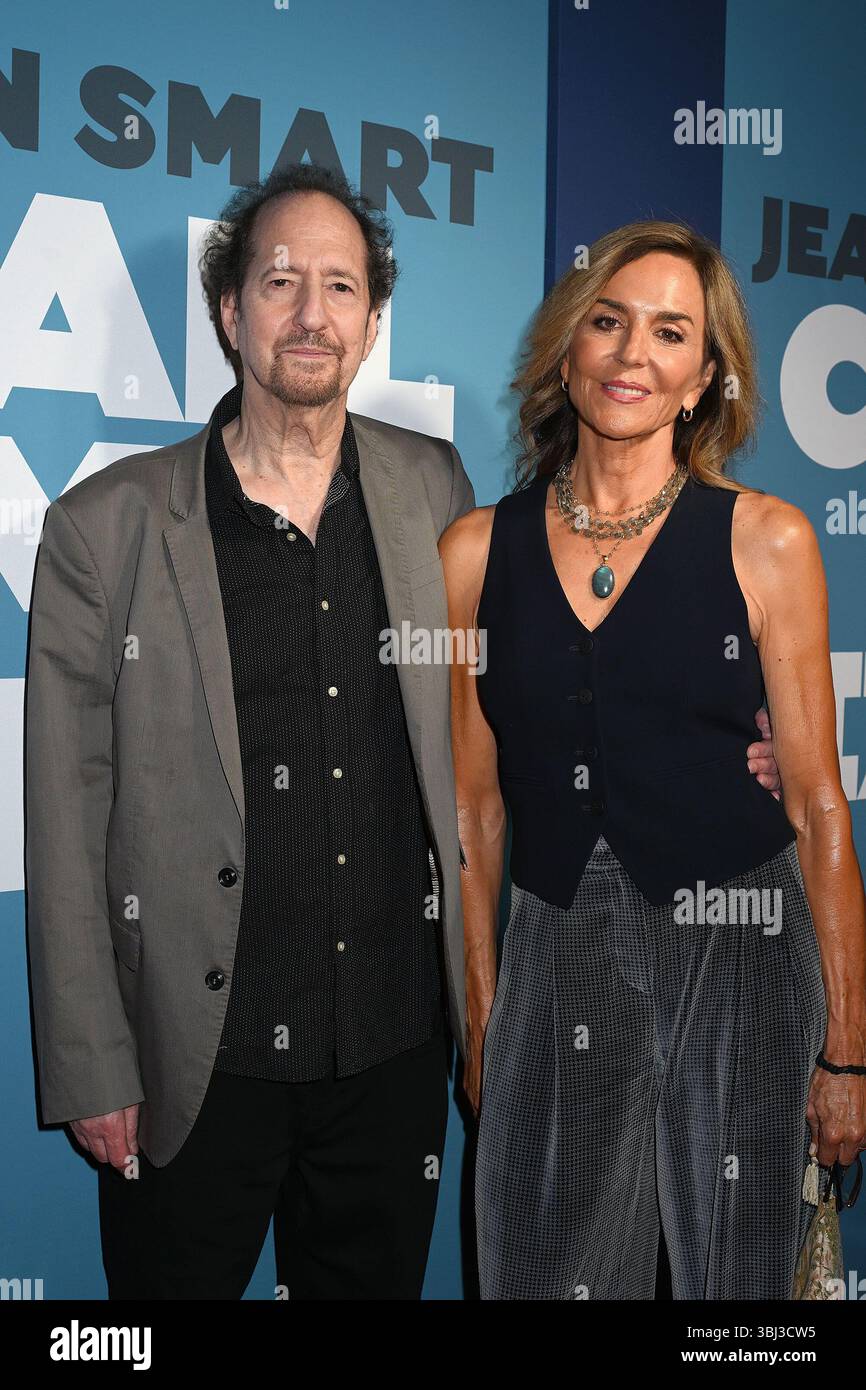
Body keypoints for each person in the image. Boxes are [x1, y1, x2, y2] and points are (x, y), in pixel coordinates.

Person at [25, 163, 476, 1299]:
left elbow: (495, 708)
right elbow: (64, 821)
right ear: (230, 313)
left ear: (371, 321)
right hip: (196, 1062)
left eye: (340, 285)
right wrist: (92, 1062)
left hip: (391, 1049)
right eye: (280, 282)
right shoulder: (105, 529)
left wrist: (716, 731)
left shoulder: (434, 489)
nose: (311, 313)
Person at [439, 220, 866, 1300]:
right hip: (557, 955)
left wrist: (847, 1048)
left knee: (741, 1296)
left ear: (703, 378)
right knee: (542, 1273)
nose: (633, 354)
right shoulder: (474, 552)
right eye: (608, 322)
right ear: (566, 352)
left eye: (671, 333)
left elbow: (817, 804)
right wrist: (483, 1008)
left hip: (743, 955)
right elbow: (473, 812)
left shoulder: (766, 539)